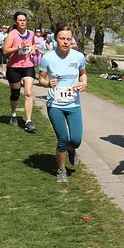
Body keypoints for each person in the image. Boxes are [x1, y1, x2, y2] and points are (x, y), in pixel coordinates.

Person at [39, 25, 87, 183]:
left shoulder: (78, 57)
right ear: (55, 38)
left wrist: (84, 83)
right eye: (62, 38)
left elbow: (83, 74)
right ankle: (61, 169)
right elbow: (41, 78)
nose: (65, 42)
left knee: (76, 140)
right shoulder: (47, 58)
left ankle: (71, 150)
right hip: (55, 104)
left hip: (73, 104)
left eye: (68, 39)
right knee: (62, 139)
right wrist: (47, 84)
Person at [3, 11, 38, 133]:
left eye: (24, 20)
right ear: (15, 22)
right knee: (15, 93)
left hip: (28, 66)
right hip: (14, 67)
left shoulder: (31, 33)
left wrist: (33, 50)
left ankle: (29, 121)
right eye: (20, 20)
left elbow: (33, 44)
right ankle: (13, 114)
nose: (23, 22)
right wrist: (19, 48)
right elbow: (5, 51)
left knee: (28, 93)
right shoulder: (12, 34)